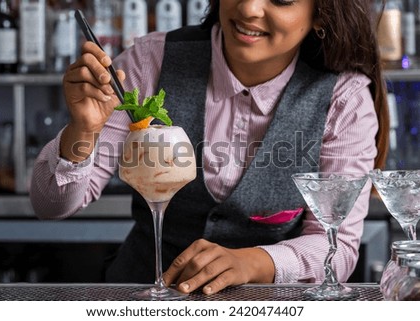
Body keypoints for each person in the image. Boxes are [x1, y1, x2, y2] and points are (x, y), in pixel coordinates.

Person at [30, 0, 389, 295]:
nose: (248, 8)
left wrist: (254, 261)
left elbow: (336, 247)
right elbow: (52, 205)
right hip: (141, 299)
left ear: (320, 15)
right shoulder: (151, 60)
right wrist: (83, 129)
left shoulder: (344, 99)